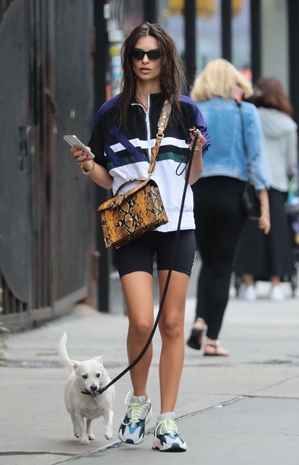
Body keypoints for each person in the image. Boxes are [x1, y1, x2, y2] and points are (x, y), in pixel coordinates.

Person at [70, 22, 209, 452]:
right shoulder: (111, 113)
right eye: (138, 54)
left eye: (154, 54)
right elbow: (106, 176)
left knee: (171, 323)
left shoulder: (186, 110)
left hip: (177, 225)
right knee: (141, 320)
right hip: (131, 225)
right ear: (129, 59)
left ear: (166, 59)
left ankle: (166, 421)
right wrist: (85, 163)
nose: (146, 61)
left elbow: (194, 176)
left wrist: (198, 150)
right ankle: (138, 402)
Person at [186, 59, 270, 357]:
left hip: (198, 193)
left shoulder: (194, 111)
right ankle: (212, 340)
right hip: (232, 195)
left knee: (207, 262)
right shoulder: (244, 111)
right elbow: (256, 160)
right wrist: (264, 205)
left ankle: (199, 320)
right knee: (222, 267)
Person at [235, 78, 298, 301]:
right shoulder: (289, 126)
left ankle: (249, 285)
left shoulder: (250, 117)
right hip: (277, 184)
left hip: (251, 182)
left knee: (249, 234)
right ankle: (275, 285)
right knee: (277, 236)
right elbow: (292, 161)